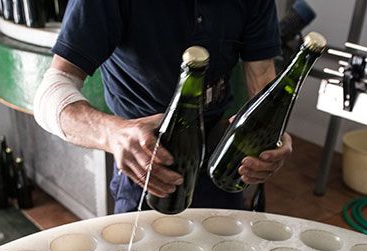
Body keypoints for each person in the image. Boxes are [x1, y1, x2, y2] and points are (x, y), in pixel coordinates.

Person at [33, 0, 294, 214]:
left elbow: (263, 81)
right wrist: (114, 134)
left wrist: (271, 134)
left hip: (219, 155)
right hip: (147, 162)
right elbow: (50, 93)